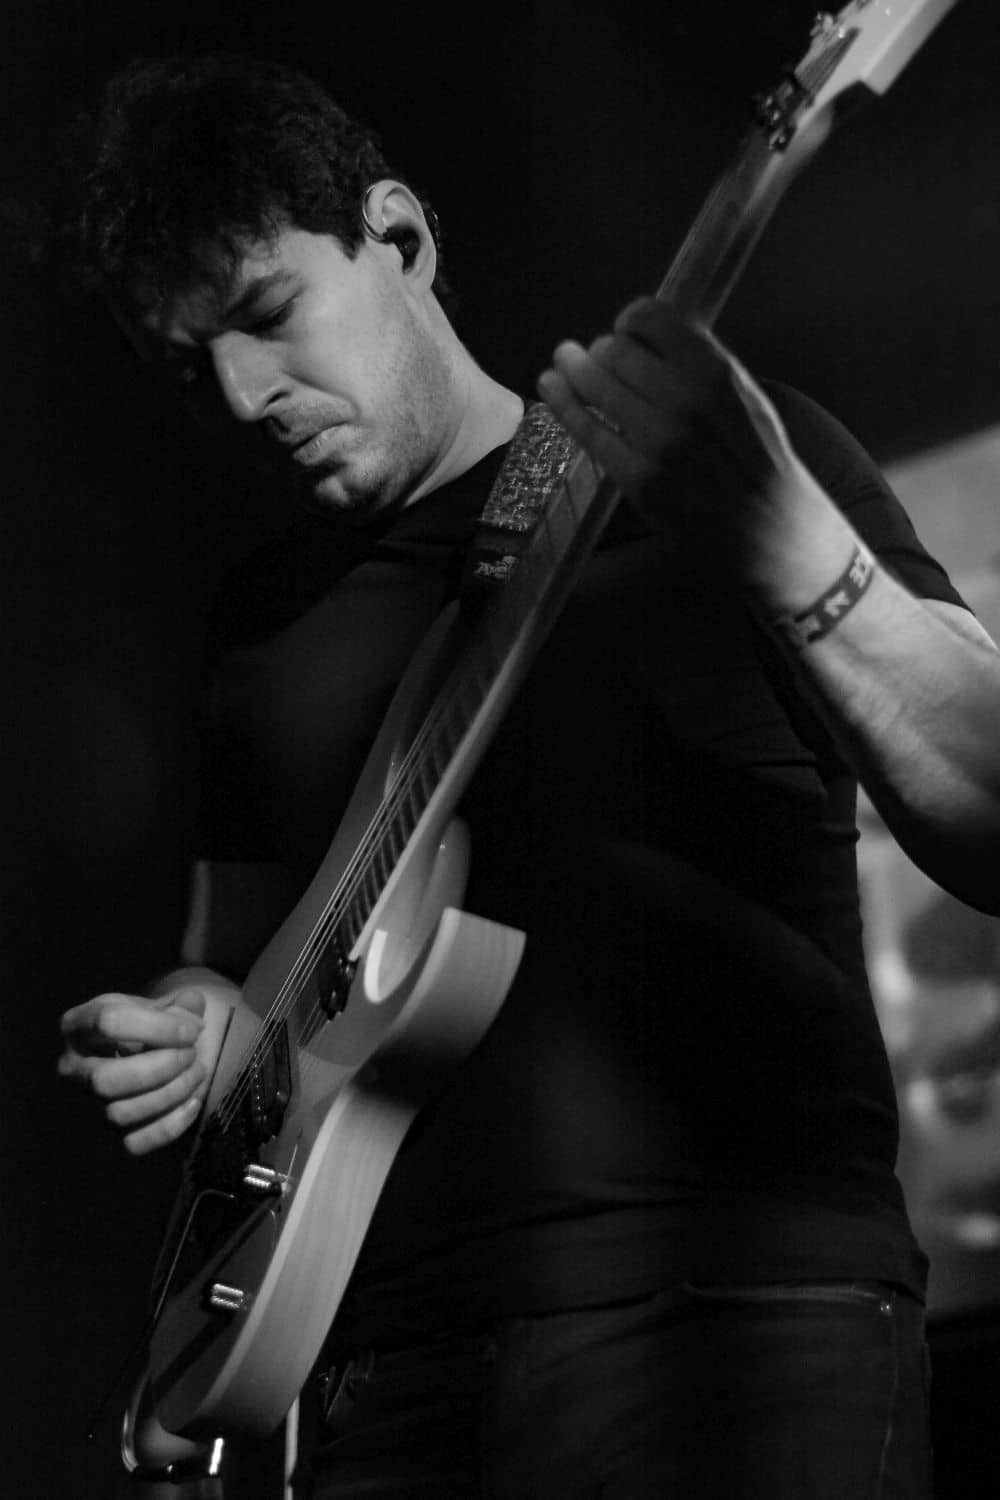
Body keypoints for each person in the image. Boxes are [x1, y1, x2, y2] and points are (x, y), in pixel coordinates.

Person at [56, 53, 1000, 1499]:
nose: (244, 396)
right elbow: (242, 973)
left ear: (400, 236)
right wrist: (198, 1031)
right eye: (195, 369)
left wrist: (794, 548)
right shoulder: (260, 628)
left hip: (738, 1336)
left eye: (267, 314)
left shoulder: (724, 465)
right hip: (374, 1382)